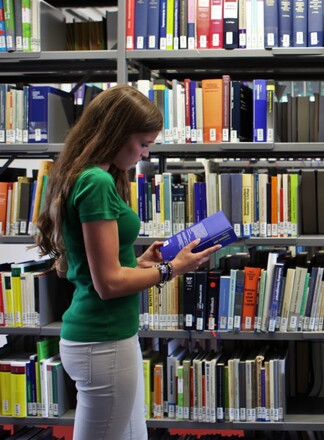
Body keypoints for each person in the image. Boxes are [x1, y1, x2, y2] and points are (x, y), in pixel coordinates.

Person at [34, 85, 220, 440]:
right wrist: (171, 269)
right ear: (116, 134)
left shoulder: (91, 175)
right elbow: (108, 285)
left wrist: (139, 262)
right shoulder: (96, 181)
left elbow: (99, 269)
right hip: (101, 340)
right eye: (142, 143)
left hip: (110, 336)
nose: (145, 152)